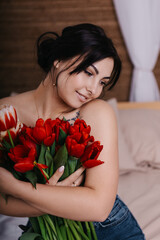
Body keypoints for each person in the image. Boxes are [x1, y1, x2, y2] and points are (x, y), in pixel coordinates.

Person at [0, 23, 145, 239]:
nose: (94, 90)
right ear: (58, 59)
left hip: (110, 231)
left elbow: (99, 208)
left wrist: (15, 187)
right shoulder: (6, 114)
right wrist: (54, 197)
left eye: (102, 82)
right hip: (44, 232)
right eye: (88, 73)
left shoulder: (96, 112)